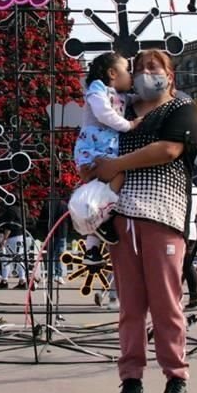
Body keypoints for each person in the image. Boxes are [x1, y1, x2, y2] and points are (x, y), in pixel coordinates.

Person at [92, 49, 197, 393]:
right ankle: (131, 378)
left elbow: (167, 150)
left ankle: (175, 376)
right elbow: (94, 144)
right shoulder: (119, 110)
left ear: (170, 76)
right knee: (130, 306)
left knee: (166, 303)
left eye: (154, 68)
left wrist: (117, 164)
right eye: (138, 69)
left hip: (163, 216)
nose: (144, 74)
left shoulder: (179, 108)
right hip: (121, 219)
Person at [72, 52, 144, 266]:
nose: (130, 75)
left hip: (107, 149)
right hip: (94, 148)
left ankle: (92, 248)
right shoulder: (97, 89)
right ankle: (98, 228)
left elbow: (138, 98)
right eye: (127, 70)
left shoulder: (123, 96)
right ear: (113, 73)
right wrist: (129, 125)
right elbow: (104, 114)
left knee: (97, 200)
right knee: (118, 176)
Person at [0, 204, 28, 290]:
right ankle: (22, 280)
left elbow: (9, 226)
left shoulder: (11, 210)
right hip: (20, 236)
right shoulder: (20, 209)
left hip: (13, 237)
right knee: (19, 258)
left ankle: (5, 281)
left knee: (6, 259)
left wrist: (4, 239)